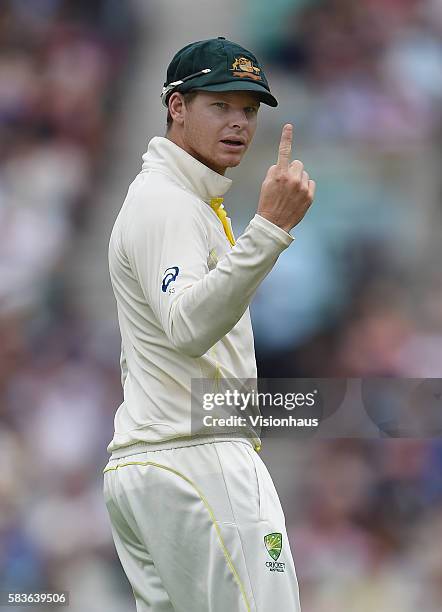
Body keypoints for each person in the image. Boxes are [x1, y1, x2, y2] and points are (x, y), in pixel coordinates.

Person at [103, 36, 315, 612]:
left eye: (248, 110)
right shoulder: (167, 201)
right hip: (196, 458)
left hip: (159, 463)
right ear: (176, 107)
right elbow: (188, 326)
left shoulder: (183, 199)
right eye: (219, 105)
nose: (239, 123)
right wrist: (269, 229)